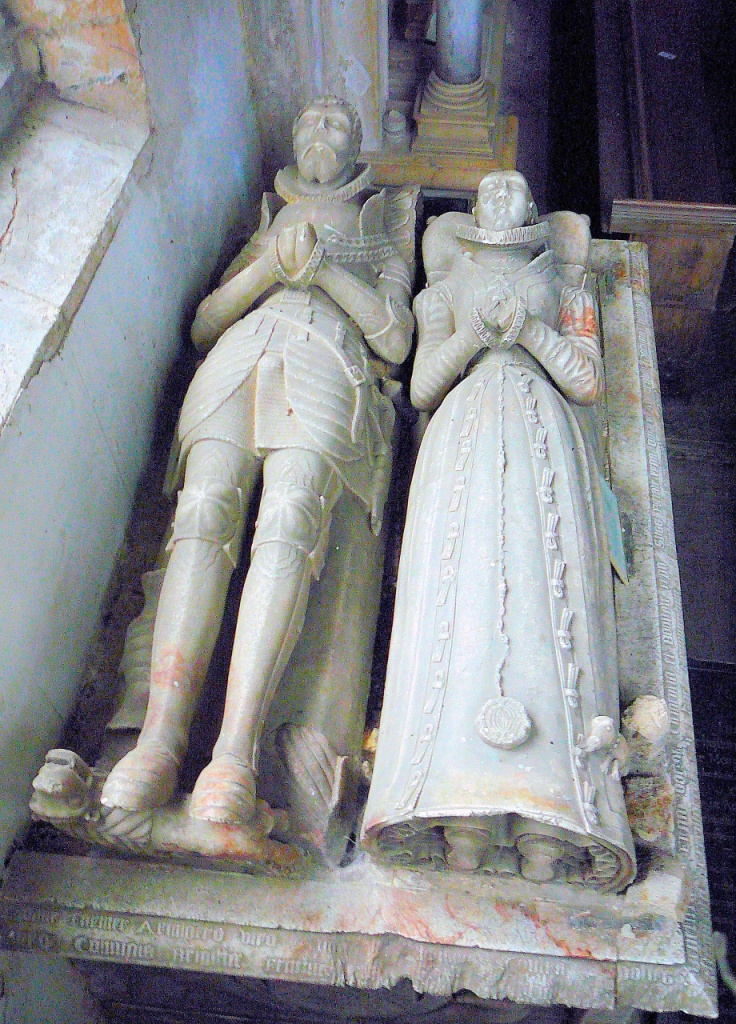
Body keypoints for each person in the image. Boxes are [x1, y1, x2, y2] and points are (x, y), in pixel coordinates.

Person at [100, 96, 415, 826]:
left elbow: (395, 339)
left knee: (287, 526)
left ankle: (234, 754)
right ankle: (158, 741)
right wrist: (270, 266)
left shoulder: (381, 224)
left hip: (329, 366)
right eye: (307, 120)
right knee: (202, 519)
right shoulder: (268, 221)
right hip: (243, 357)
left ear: (359, 147)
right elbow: (208, 321)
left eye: (336, 122)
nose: (317, 130)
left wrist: (327, 276)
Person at [361, 171, 636, 891]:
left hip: (546, 430)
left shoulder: (566, 286)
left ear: (533, 209)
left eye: (517, 188)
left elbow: (584, 381)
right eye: (491, 190)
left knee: (553, 595)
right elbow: (423, 388)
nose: (504, 194)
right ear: (476, 211)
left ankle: (554, 810)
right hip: (464, 436)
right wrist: (475, 339)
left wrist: (532, 332)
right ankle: (454, 805)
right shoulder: (444, 288)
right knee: (462, 594)